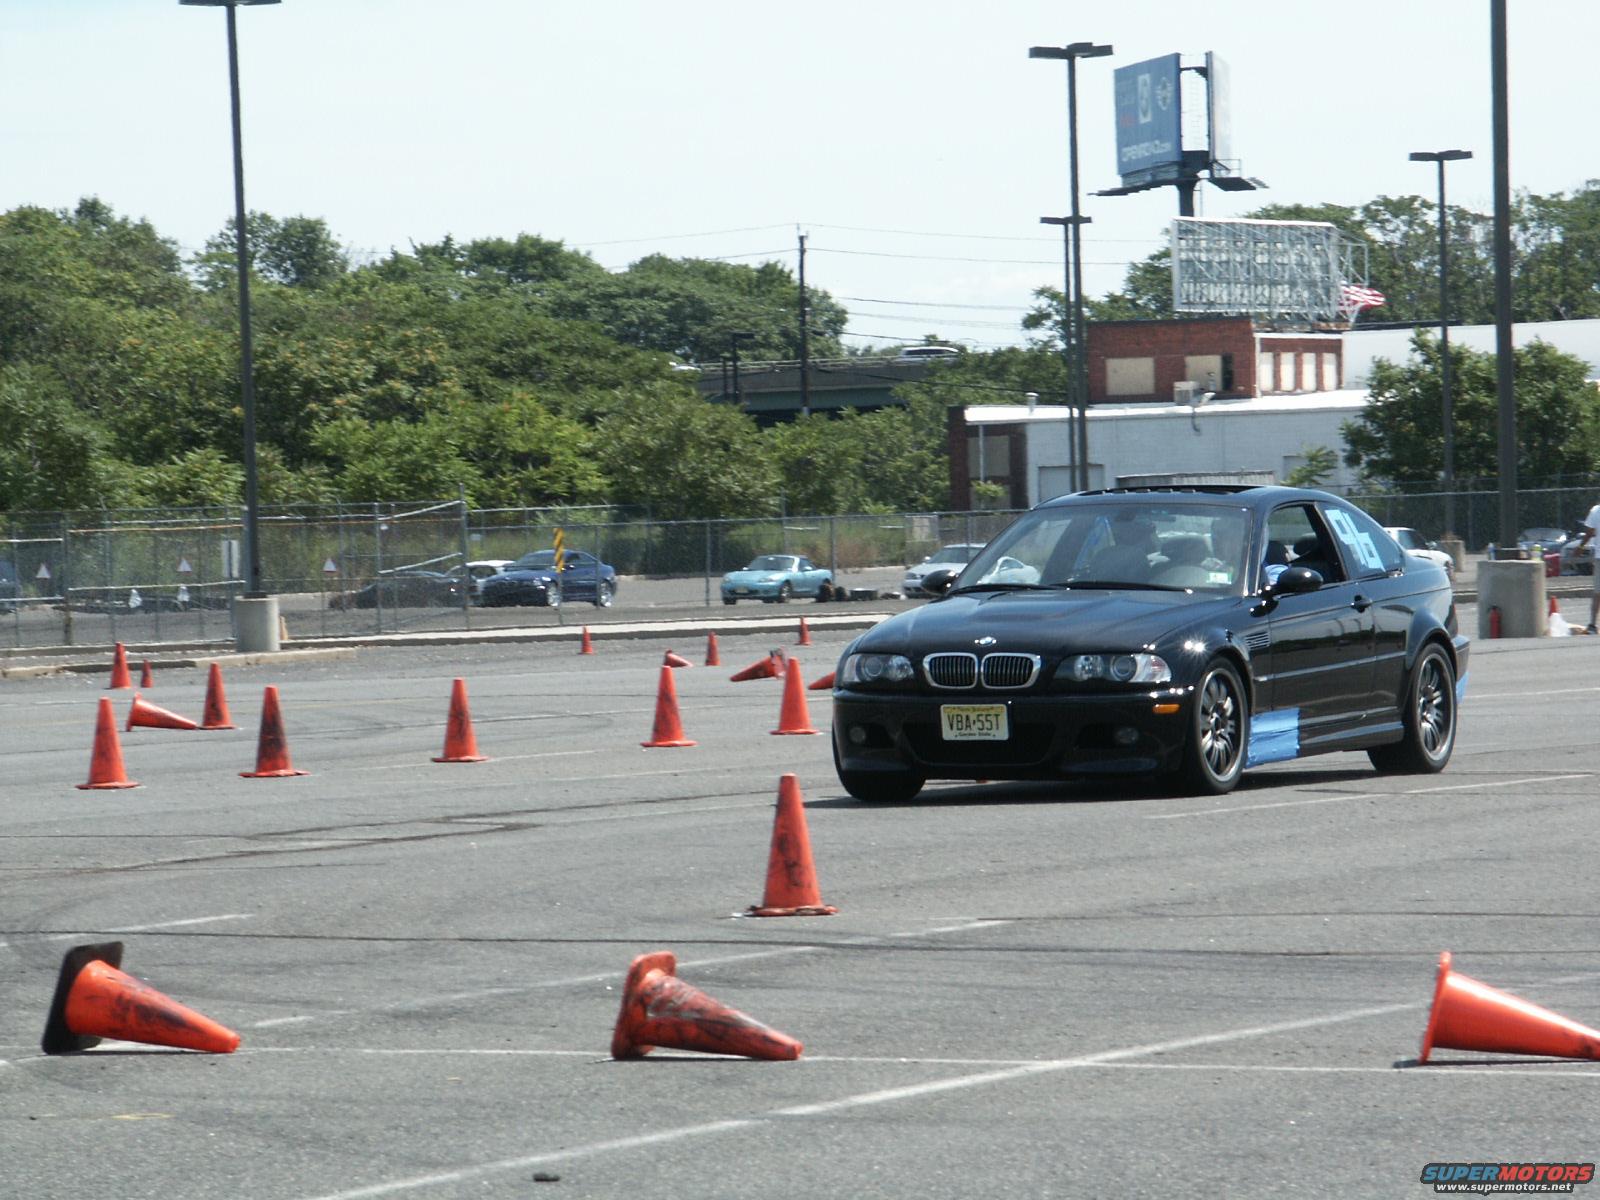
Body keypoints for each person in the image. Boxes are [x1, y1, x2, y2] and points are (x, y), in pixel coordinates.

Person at [1572, 502, 1600, 633]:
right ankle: (1592, 624)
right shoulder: (1596, 511)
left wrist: (1580, 547)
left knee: (1598, 592)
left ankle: (1592, 624)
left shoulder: (1596, 511)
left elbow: (1589, 532)